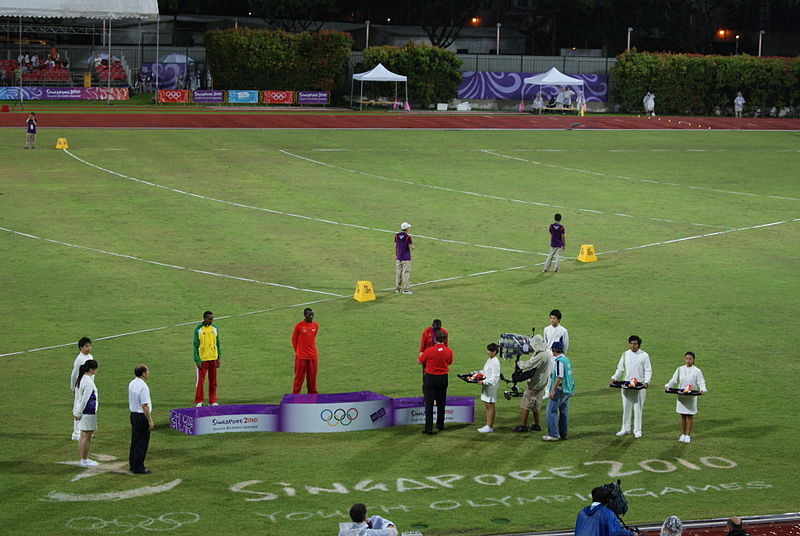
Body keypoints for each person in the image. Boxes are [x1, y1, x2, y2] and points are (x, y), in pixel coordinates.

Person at [612, 335, 652, 438]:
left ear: (639, 345)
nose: (633, 346)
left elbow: (648, 370)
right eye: (631, 344)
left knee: (638, 408)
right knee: (626, 408)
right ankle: (625, 429)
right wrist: (615, 378)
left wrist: (646, 381)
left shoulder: (644, 355)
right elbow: (620, 369)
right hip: (626, 385)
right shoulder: (625, 354)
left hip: (639, 386)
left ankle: (637, 430)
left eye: (635, 344)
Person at [665, 351, 707, 443]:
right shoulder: (679, 369)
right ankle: (683, 434)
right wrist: (668, 385)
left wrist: (702, 389)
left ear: (693, 360)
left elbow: (701, 382)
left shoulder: (697, 371)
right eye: (686, 359)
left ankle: (688, 435)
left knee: (690, 415)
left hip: (691, 397)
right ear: (684, 359)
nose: (688, 361)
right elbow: (673, 380)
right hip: (681, 396)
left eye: (690, 359)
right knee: (682, 415)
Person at [514, 333, 552, 432]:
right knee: (536, 405)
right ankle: (536, 425)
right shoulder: (546, 353)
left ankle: (523, 426)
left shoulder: (540, 356)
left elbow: (529, 365)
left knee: (525, 405)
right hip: (542, 383)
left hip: (535, 384)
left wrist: (519, 363)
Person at [418, 331, 452, 435]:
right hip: (443, 378)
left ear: (434, 339)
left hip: (431, 378)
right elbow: (450, 362)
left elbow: (420, 360)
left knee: (429, 403)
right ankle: (440, 425)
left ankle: (429, 428)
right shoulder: (449, 351)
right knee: (441, 401)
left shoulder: (429, 350)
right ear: (445, 340)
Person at [542, 341, 574, 441]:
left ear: (554, 350)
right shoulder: (566, 359)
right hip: (568, 389)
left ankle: (553, 435)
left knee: (550, 411)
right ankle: (563, 434)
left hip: (560, 390)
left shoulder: (559, 361)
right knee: (564, 412)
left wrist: (552, 390)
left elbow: (560, 377)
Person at [73, 359, 99, 467]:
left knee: (83, 436)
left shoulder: (81, 379)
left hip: (83, 411)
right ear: (92, 369)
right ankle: (84, 459)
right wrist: (79, 412)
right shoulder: (88, 382)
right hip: (88, 411)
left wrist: (76, 410)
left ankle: (83, 458)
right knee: (86, 437)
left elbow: (77, 398)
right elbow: (85, 399)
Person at [128, 364, 154, 474]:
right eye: (147, 371)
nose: (148, 373)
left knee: (135, 441)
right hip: (141, 416)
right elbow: (144, 405)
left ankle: (133, 464)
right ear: (143, 373)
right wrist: (150, 420)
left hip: (133, 415)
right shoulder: (143, 387)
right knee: (141, 443)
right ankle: (139, 467)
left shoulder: (132, 383)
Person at [193, 310, 220, 406]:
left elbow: (217, 344)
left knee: (213, 381)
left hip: (213, 358)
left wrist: (218, 357)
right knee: (200, 381)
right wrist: (197, 360)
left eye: (212, 318)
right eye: (210, 319)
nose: (211, 320)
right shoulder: (198, 329)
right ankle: (199, 401)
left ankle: (212, 401)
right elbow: (195, 346)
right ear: (204, 318)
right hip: (202, 359)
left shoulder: (215, 328)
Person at [69, 337, 94, 441]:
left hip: (89, 386)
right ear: (81, 348)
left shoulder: (90, 357)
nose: (88, 348)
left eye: (89, 346)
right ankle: (76, 433)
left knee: (87, 408)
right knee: (78, 407)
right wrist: (73, 387)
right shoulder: (79, 359)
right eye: (86, 346)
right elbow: (74, 375)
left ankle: (85, 429)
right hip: (81, 386)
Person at [291, 308, 319, 394]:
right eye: (309, 315)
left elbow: (313, 338)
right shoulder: (299, 326)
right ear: (304, 315)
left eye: (312, 314)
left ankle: (312, 396)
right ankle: (295, 396)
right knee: (299, 378)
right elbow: (293, 340)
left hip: (312, 356)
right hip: (301, 357)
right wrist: (299, 351)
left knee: (312, 378)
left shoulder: (315, 325)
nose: (311, 316)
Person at [476, 343, 501, 433]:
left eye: (490, 351)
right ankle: (487, 424)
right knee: (487, 405)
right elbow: (486, 371)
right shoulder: (490, 359)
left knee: (490, 405)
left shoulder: (495, 362)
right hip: (486, 386)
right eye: (488, 350)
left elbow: (495, 378)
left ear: (495, 352)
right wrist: (477, 373)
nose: (488, 352)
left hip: (491, 387)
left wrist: (484, 381)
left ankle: (490, 426)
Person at [395, 222, 414, 294]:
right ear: (406, 229)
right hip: (406, 258)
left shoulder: (396, 235)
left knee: (398, 272)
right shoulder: (408, 237)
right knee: (405, 273)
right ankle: (406, 289)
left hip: (398, 257)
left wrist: (396, 254)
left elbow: (395, 245)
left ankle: (397, 289)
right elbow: (411, 246)